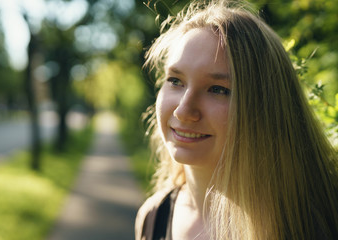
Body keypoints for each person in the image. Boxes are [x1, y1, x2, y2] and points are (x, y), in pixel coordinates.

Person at [135, 0, 338, 239]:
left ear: (268, 106)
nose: (183, 111)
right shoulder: (153, 217)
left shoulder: (318, 223)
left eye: (218, 89)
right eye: (175, 81)